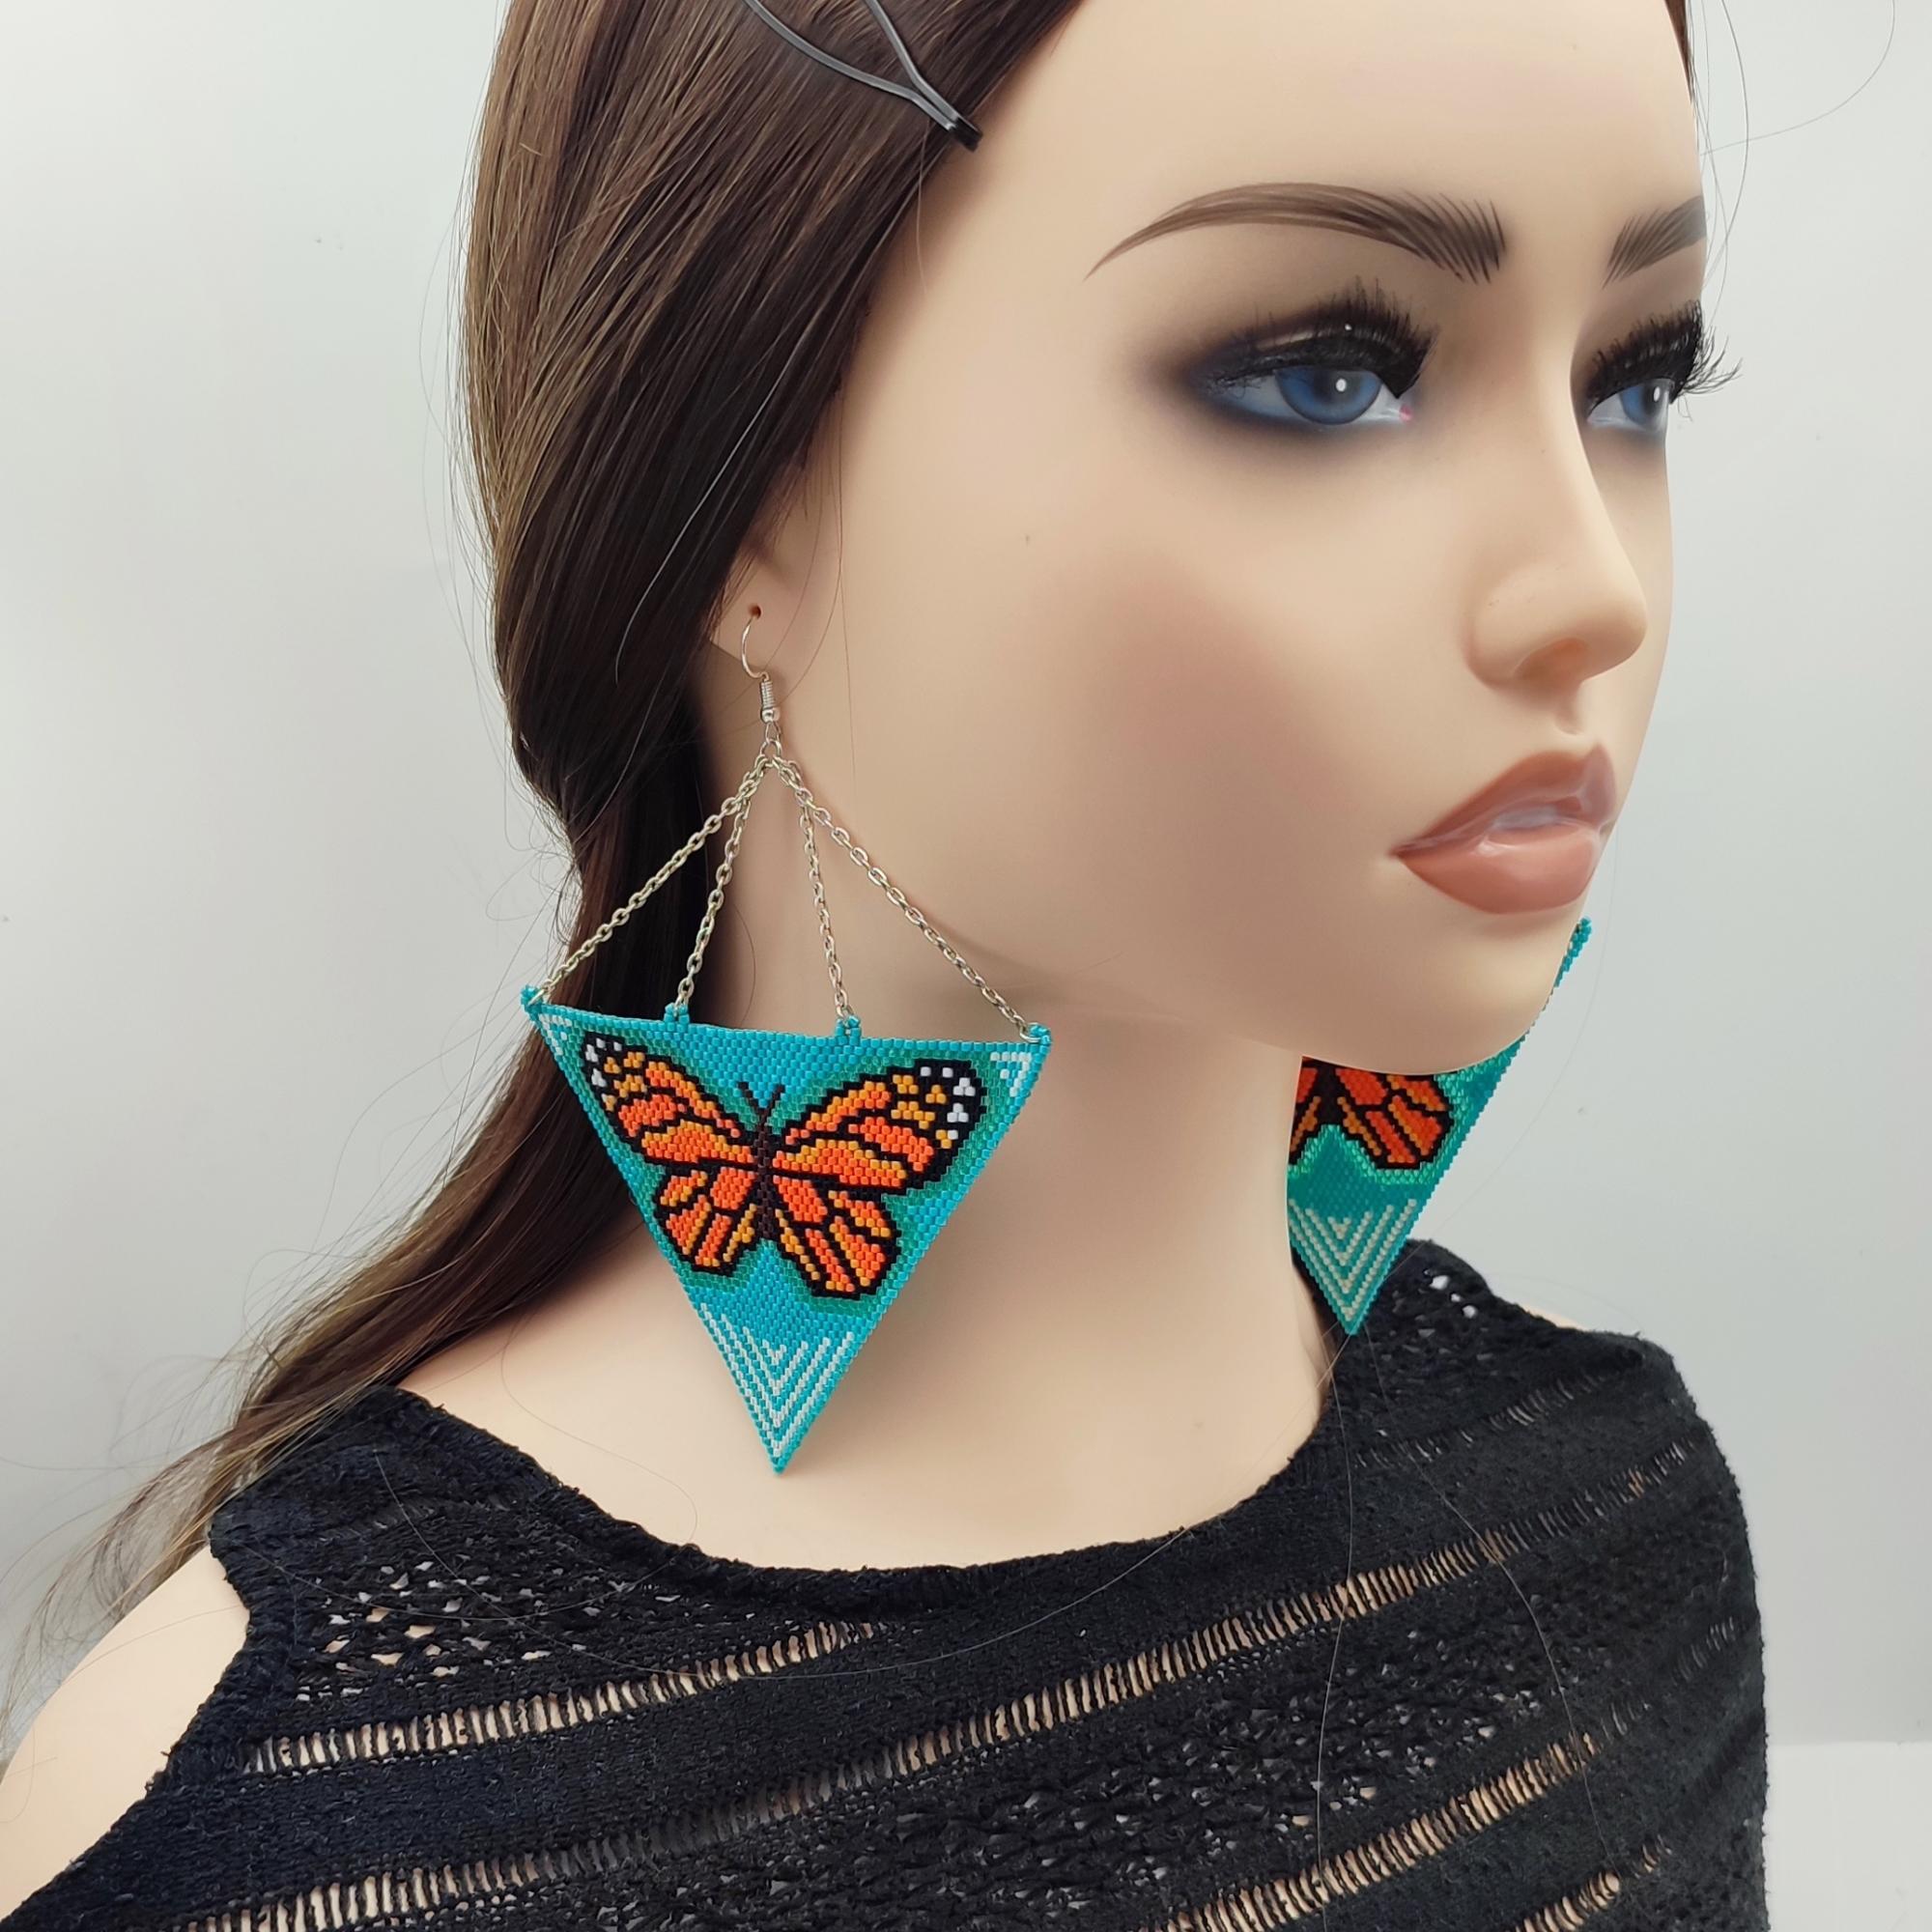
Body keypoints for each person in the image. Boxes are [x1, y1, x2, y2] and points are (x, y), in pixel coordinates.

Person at [0, 0, 1768, 1922]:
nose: (1590, 586)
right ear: (739, 491)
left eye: (1634, 379)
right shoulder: (269, 1836)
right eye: (1324, 376)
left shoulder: (1624, 1528)